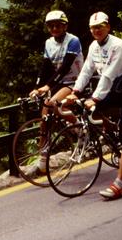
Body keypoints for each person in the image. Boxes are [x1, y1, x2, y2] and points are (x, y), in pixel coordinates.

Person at [65, 11, 122, 200]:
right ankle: (111, 130)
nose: (96, 30)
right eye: (93, 28)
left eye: (100, 27)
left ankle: (119, 185)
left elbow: (108, 75)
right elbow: (86, 71)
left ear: (108, 26)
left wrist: (96, 98)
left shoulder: (118, 46)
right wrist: (74, 92)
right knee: (90, 109)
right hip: (115, 90)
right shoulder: (94, 46)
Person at [27, 10, 85, 173]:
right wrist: (37, 86)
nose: (54, 28)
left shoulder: (73, 41)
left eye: (58, 25)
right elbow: (45, 67)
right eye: (51, 26)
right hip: (60, 83)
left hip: (76, 81)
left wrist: (48, 86)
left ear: (65, 26)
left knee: (52, 103)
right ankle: (43, 161)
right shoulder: (48, 43)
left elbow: (65, 66)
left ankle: (79, 127)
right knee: (44, 118)